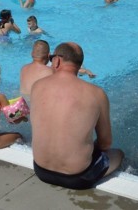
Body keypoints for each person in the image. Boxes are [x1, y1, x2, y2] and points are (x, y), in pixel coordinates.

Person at [31, 42, 124, 190]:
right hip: (79, 178)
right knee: (118, 154)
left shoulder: (37, 86)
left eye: (51, 58)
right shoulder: (96, 94)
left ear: (57, 61)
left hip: (41, 171)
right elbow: (106, 143)